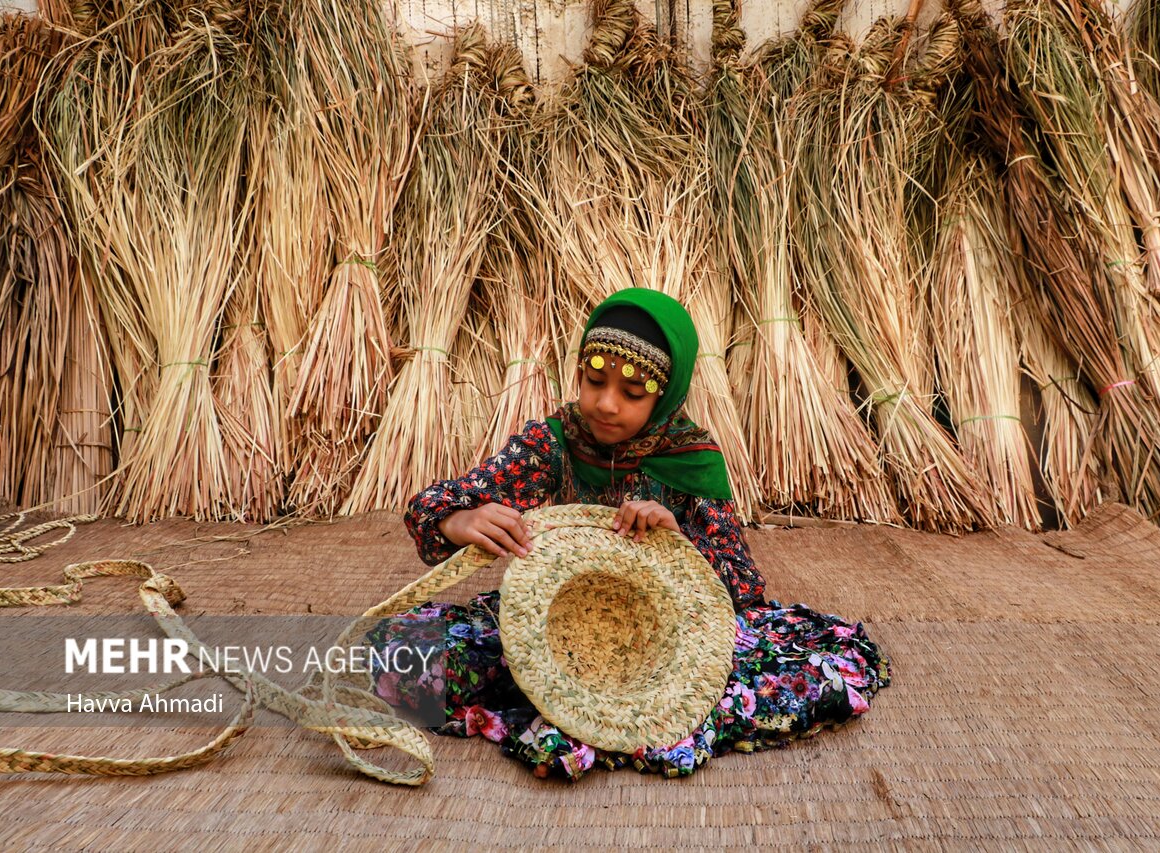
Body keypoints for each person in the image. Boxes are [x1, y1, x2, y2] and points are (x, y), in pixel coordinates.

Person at [368, 288, 890, 780]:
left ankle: (620, 722)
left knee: (798, 677)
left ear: (666, 393)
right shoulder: (556, 442)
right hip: (558, 629)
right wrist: (456, 520)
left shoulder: (691, 459)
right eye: (594, 383)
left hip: (667, 640)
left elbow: (741, 583)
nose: (607, 405)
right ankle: (573, 712)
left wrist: (678, 539)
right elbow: (434, 502)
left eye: (633, 392)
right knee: (390, 656)